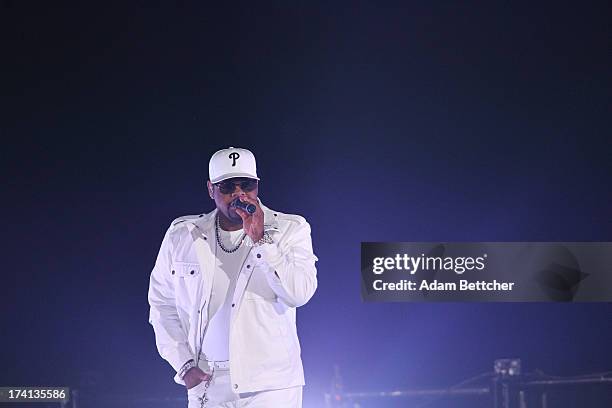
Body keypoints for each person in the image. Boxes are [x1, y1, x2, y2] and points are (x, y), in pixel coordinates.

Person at [148, 147, 318, 408]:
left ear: (257, 186)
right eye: (228, 187)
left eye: (247, 185)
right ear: (211, 189)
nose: (239, 194)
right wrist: (183, 365)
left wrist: (262, 240)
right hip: (207, 381)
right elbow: (161, 304)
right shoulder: (183, 235)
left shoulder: (289, 229)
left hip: (270, 385)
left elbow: (299, 293)